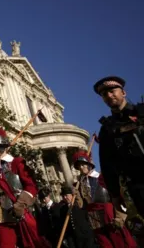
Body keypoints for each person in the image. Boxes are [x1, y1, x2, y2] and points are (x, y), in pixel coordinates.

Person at [0, 126, 50, 248]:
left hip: (22, 209)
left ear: (3, 146)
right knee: (5, 245)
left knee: (33, 243)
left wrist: (20, 204)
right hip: (2, 213)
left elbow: (31, 186)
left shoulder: (17, 162)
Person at [94, 76, 144, 217]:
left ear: (123, 92)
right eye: (104, 94)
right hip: (138, 186)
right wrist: (114, 195)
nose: (109, 95)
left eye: (112, 91)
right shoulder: (107, 129)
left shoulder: (142, 113)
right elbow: (107, 164)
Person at [72, 150, 136, 247]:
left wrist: (120, 217)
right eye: (79, 166)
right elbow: (82, 205)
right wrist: (77, 195)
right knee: (103, 242)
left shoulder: (103, 177)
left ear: (89, 164)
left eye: (83, 164)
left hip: (108, 212)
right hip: (93, 215)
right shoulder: (80, 185)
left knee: (118, 239)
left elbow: (118, 197)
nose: (81, 167)